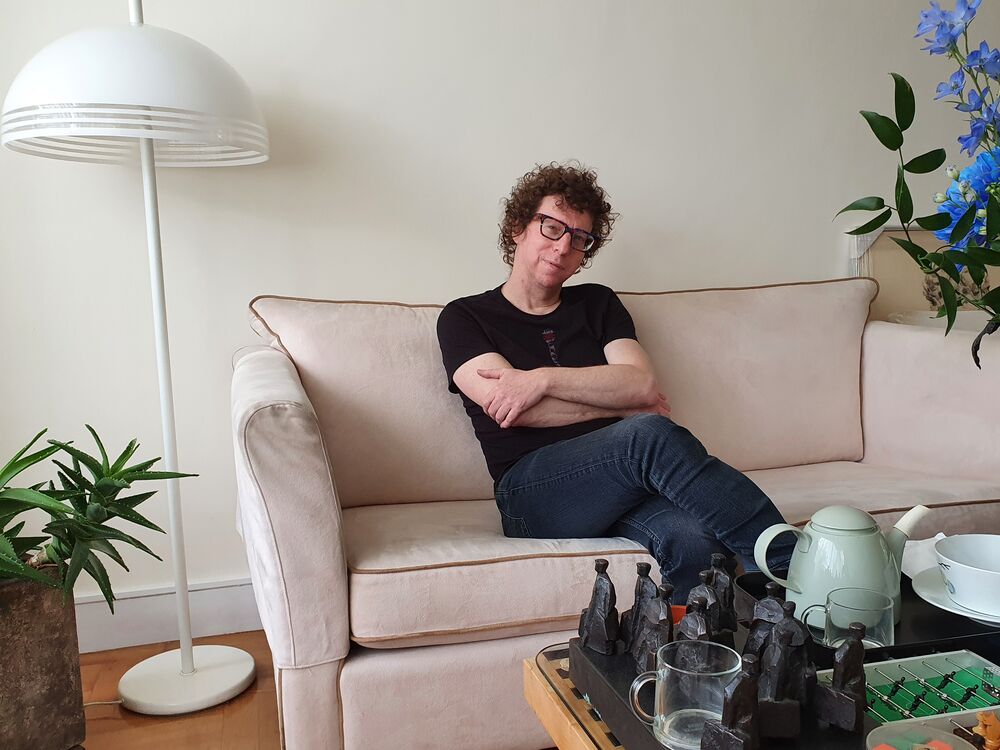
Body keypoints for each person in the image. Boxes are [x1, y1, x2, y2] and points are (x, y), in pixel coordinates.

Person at [436, 162, 794, 601]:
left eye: (579, 238)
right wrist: (619, 405)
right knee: (648, 434)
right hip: (531, 494)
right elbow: (511, 409)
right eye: (552, 227)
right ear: (517, 228)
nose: (564, 246)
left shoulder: (598, 303)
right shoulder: (464, 317)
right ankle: (791, 567)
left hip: (624, 484)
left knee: (696, 542)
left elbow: (640, 385)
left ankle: (703, 643)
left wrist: (541, 379)